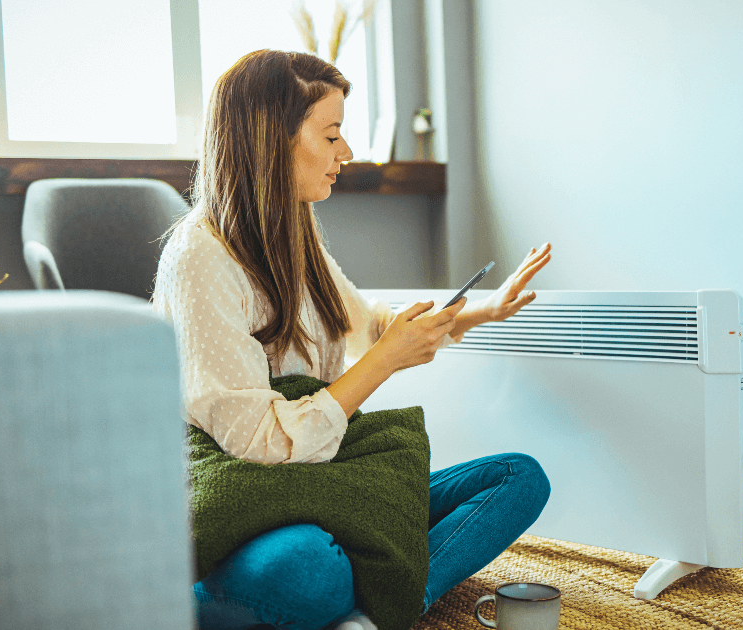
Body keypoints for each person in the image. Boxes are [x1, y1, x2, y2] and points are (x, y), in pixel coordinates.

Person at [152, 49, 552, 630]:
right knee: (310, 569)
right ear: (271, 138)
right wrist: (384, 364)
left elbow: (371, 326)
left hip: (319, 476)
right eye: (332, 134)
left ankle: (364, 616)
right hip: (236, 490)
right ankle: (351, 599)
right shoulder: (199, 258)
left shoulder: (295, 232)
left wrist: (486, 309)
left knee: (520, 478)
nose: (347, 153)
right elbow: (258, 443)